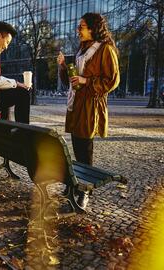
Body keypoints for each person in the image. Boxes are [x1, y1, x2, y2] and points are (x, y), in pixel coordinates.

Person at [57, 13, 120, 209]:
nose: (78, 30)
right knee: (78, 148)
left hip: (90, 106)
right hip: (77, 103)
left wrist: (86, 81)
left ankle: (84, 193)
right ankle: (77, 185)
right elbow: (73, 78)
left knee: (85, 150)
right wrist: (62, 66)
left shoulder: (105, 50)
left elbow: (112, 80)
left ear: (93, 28)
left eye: (82, 26)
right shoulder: (82, 49)